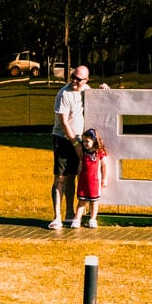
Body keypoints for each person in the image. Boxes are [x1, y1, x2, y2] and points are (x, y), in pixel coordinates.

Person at [48, 65, 91, 229]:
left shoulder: (86, 90)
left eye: (78, 79)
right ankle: (56, 217)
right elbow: (63, 122)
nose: (74, 80)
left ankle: (69, 213)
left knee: (72, 176)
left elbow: (99, 97)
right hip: (63, 139)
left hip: (79, 139)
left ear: (86, 80)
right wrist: (74, 143)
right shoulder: (63, 94)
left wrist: (104, 89)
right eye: (72, 76)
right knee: (60, 178)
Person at [71, 128, 108, 228]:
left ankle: (92, 219)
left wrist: (105, 179)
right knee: (81, 201)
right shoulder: (83, 152)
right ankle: (77, 219)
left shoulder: (99, 153)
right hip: (83, 182)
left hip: (94, 182)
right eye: (83, 141)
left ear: (94, 140)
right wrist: (78, 175)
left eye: (87, 141)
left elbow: (104, 166)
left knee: (94, 202)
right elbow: (80, 165)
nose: (85, 143)